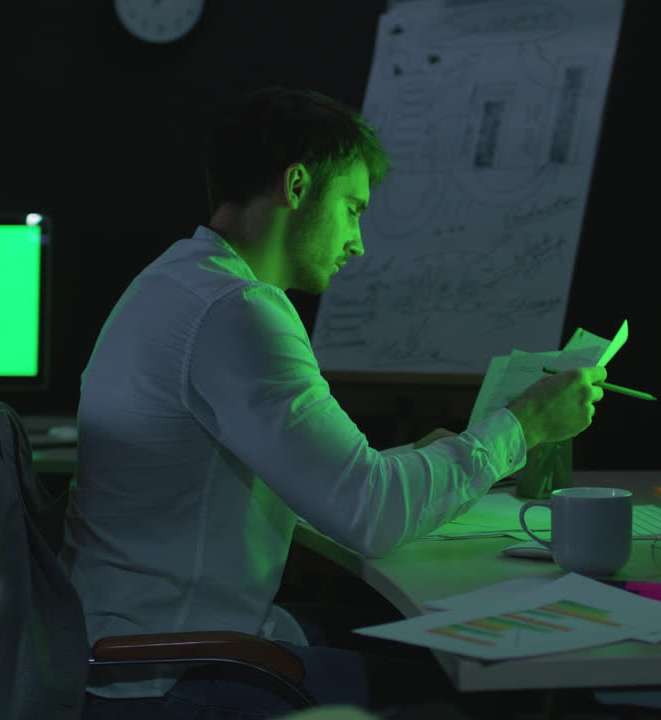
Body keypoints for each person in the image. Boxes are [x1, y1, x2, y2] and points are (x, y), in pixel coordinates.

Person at [59, 86, 606, 719]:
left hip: (129, 656)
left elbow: (324, 481)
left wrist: (410, 462)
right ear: (297, 186)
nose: (358, 241)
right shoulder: (237, 311)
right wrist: (526, 424)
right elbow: (367, 514)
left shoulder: (174, 282)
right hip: (173, 679)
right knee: (477, 700)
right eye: (351, 207)